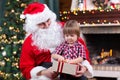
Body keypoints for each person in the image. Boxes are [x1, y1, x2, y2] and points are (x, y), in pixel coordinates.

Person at [19, 2, 93, 80]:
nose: (47, 25)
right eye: (41, 24)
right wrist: (43, 72)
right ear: (33, 26)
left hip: (68, 65)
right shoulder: (29, 41)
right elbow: (26, 67)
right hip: (45, 68)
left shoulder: (65, 28)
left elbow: (82, 50)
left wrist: (85, 67)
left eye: (48, 20)